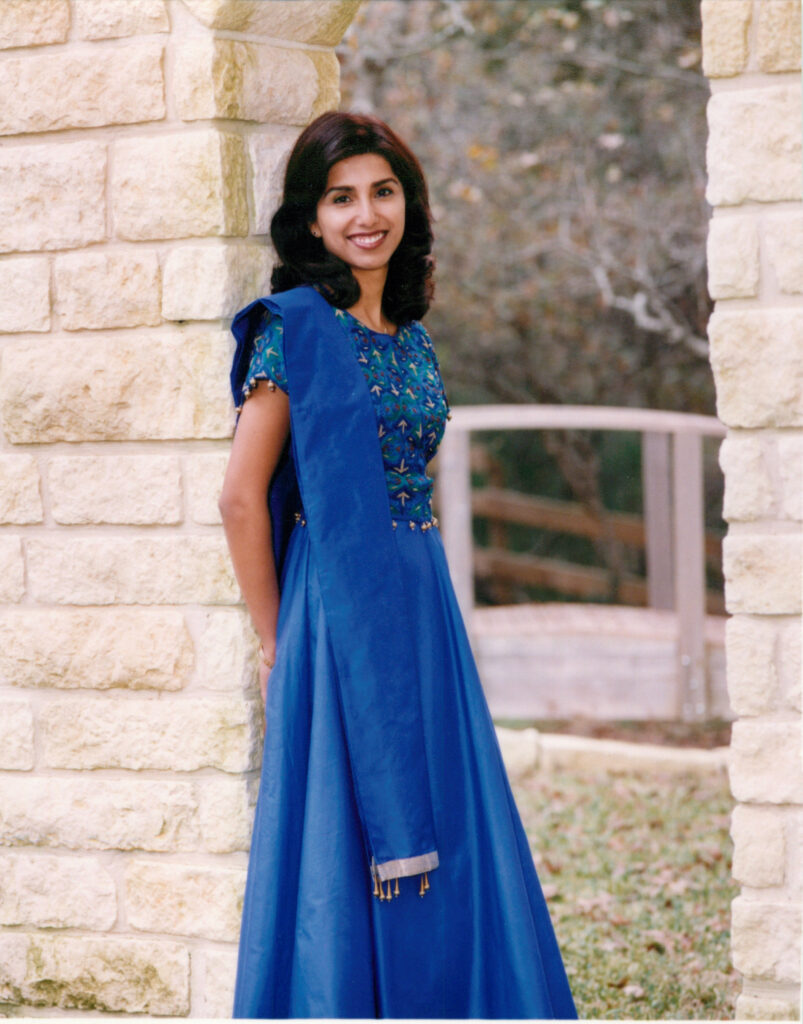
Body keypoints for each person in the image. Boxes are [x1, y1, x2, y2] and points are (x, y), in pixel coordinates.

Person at [220, 110, 577, 1020]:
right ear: (310, 221)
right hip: (336, 603)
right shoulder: (295, 332)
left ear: (407, 205)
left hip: (420, 597)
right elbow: (240, 497)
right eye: (340, 198)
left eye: (382, 192)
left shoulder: (412, 337)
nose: (365, 214)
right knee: (342, 823)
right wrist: (275, 639)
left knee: (444, 801)